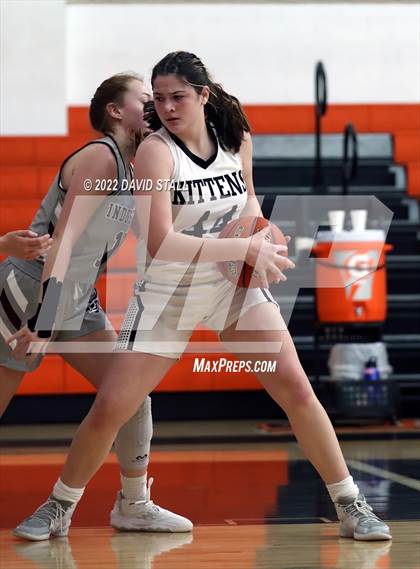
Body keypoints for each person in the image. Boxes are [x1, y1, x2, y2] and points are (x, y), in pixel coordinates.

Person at [14, 51, 391, 542]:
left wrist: (265, 240)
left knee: (298, 392)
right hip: (169, 294)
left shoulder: (237, 139)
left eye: (179, 97)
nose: (168, 107)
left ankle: (350, 503)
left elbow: (250, 203)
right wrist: (243, 245)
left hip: (231, 290)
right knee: (112, 406)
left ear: (203, 95)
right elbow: (159, 241)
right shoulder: (155, 151)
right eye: (161, 98)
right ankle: (59, 506)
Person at [1, 71, 192, 538]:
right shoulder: (99, 158)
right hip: (31, 294)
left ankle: (134, 503)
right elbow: (62, 245)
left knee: (129, 394)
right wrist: (45, 322)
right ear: (114, 110)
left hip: (77, 300)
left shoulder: (140, 165)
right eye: (145, 99)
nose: (154, 107)